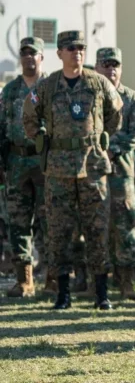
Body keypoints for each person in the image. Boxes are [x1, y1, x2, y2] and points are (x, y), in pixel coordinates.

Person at [23, 30, 123, 310]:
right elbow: (29, 116)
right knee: (59, 233)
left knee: (97, 231)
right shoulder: (47, 86)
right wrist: (41, 138)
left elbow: (116, 113)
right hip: (58, 170)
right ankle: (63, 294)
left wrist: (100, 139)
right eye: (70, 48)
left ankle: (101, 294)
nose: (76, 52)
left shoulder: (98, 82)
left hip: (92, 167)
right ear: (59, 53)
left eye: (80, 47)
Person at [95, 47, 135, 301]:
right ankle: (95, 282)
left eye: (115, 65)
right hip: (92, 174)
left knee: (126, 225)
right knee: (93, 227)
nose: (111, 69)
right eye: (105, 64)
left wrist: (112, 149)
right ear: (97, 68)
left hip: (121, 174)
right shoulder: (89, 98)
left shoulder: (132, 99)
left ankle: (127, 283)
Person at [1, 37, 49, 297]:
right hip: (16, 162)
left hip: (45, 162)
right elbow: (0, 126)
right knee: (18, 221)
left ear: (42, 57)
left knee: (49, 219)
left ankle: (52, 277)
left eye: (34, 54)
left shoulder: (51, 87)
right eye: (25, 54)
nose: (29, 58)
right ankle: (24, 280)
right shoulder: (10, 91)